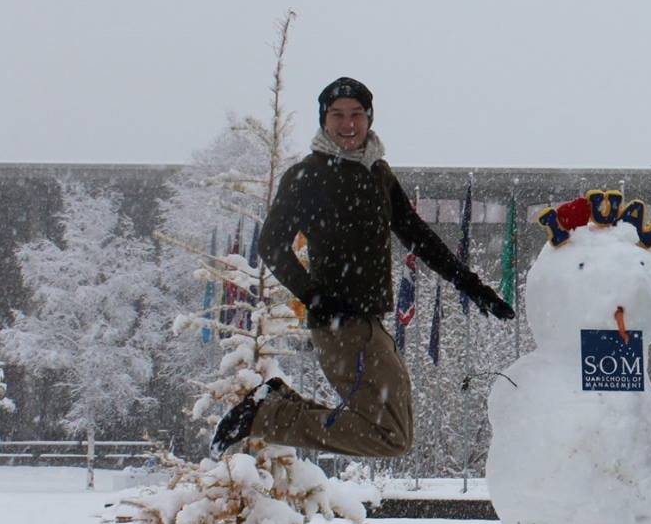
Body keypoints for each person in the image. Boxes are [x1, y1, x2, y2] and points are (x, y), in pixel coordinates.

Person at [212, 76, 514, 458]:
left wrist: (472, 287)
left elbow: (418, 236)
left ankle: (272, 406)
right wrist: (315, 297)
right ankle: (265, 415)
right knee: (390, 437)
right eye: (337, 115)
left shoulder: (378, 173)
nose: (347, 123)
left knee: (397, 434)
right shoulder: (308, 175)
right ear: (324, 120)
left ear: (369, 118)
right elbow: (271, 244)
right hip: (341, 327)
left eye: (356, 114)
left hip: (372, 324)